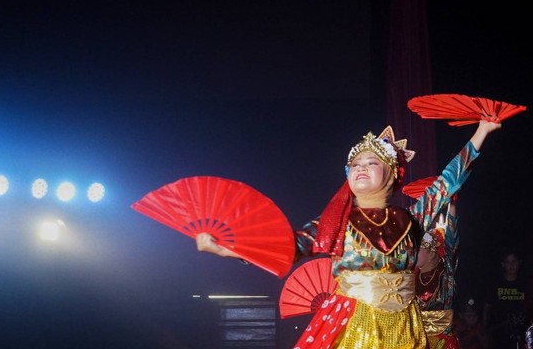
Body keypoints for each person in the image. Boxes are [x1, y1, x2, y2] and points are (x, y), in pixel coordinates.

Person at [197, 119, 501, 348]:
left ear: (392, 173)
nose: (362, 168)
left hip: (405, 325)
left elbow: (446, 184)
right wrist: (228, 249)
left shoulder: (410, 219)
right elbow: (290, 246)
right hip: (354, 321)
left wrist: (481, 132)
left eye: (372, 163)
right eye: (355, 164)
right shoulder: (336, 222)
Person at [415, 200, 461, 348]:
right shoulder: (411, 275)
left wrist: (452, 204)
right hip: (416, 339)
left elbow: (451, 238)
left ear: (431, 254)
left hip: (441, 341)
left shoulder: (444, 269)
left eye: (418, 249)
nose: (413, 253)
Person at [482, 248, 529, 348]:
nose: (511, 265)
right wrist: (484, 325)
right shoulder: (496, 284)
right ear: (503, 264)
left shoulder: (526, 284)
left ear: (519, 262)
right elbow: (487, 305)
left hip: (521, 332)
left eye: (514, 261)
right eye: (508, 262)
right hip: (499, 331)